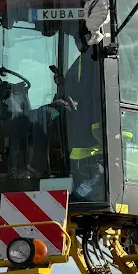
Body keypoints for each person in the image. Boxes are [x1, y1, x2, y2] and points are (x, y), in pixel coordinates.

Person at [27, 21, 102, 179]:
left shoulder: (94, 59)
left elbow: (87, 92)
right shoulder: (82, 60)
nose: (75, 43)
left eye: (76, 39)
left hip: (86, 118)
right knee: (29, 116)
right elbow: (74, 89)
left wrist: (66, 93)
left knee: (45, 114)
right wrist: (62, 83)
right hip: (76, 112)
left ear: (87, 37)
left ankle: (38, 166)